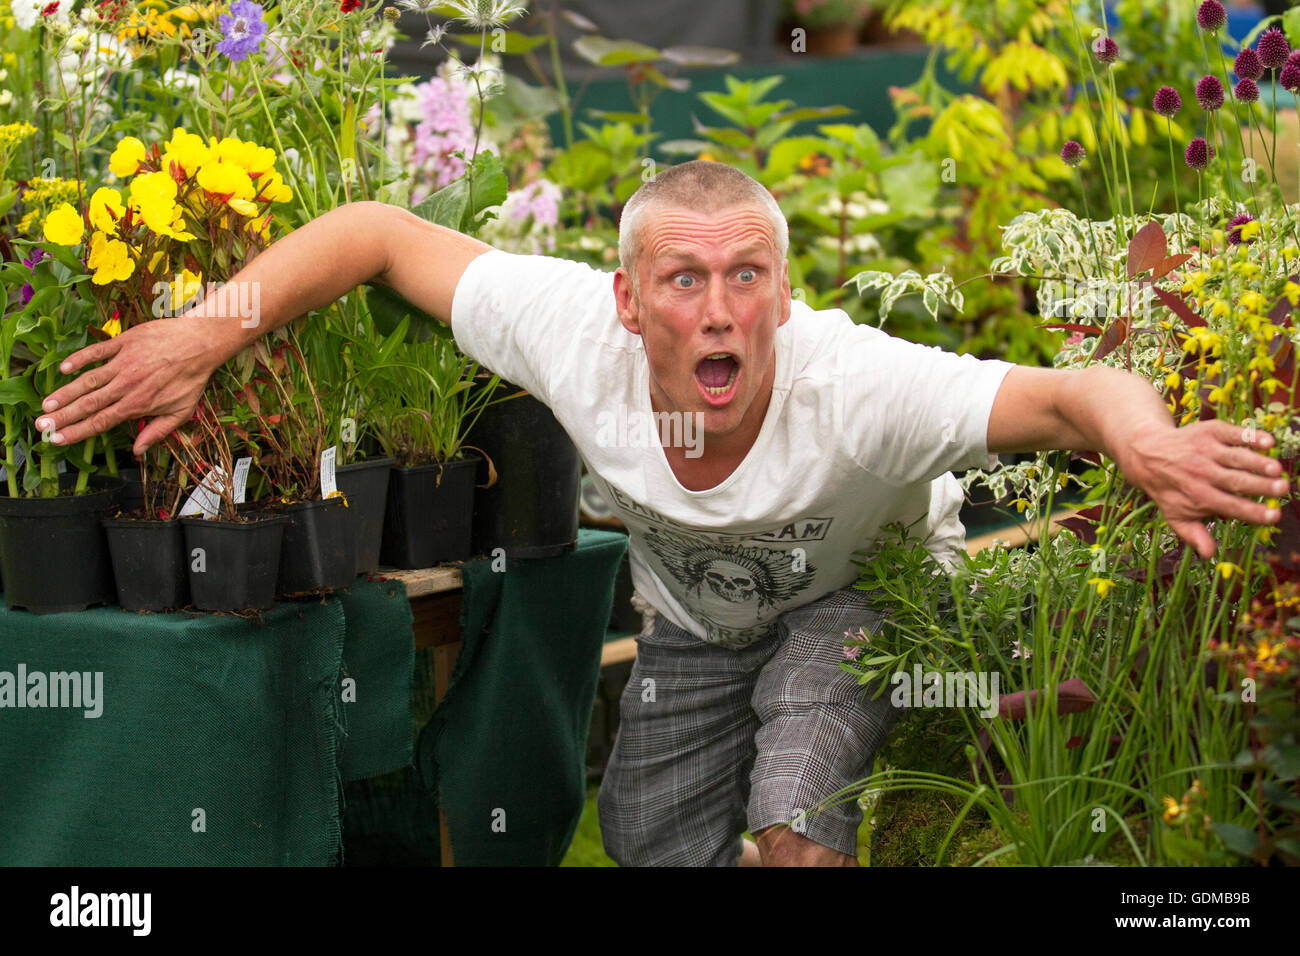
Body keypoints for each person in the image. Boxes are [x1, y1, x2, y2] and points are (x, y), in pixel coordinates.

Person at [35, 160, 1289, 866]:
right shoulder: (567, 329)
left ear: (784, 296)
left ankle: (871, 762)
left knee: (792, 821)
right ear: (629, 302)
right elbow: (376, 232)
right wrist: (209, 329)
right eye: (684, 278)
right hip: (693, 618)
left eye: (749, 275)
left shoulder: (860, 386)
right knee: (647, 838)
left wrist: (1149, 440)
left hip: (869, 599)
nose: (721, 309)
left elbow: (1072, 395)